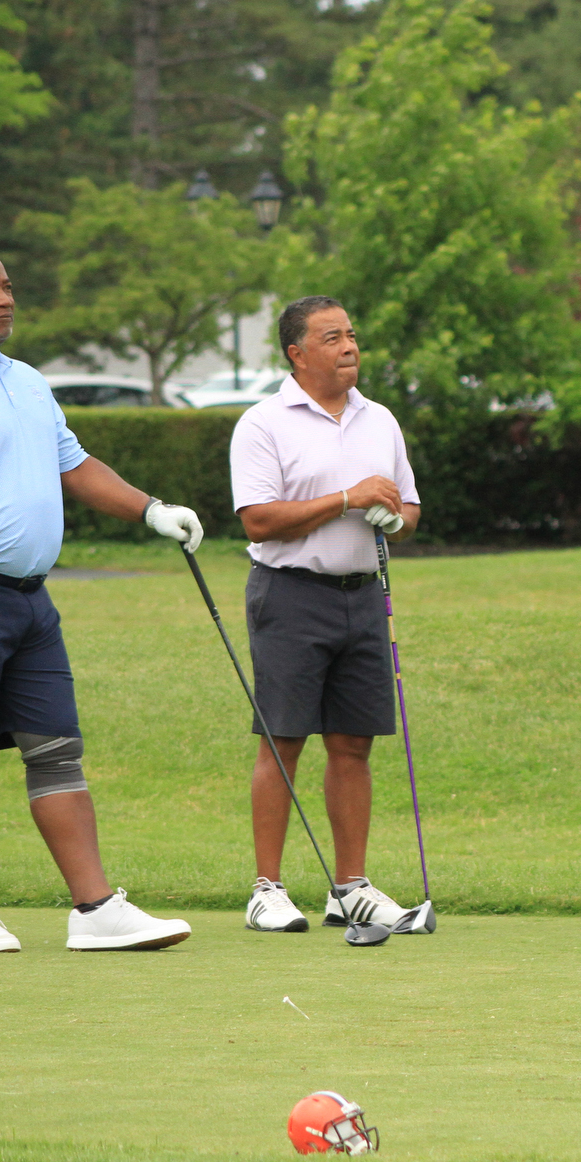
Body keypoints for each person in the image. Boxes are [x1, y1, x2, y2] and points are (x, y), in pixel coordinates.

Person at [0, 249, 202, 954]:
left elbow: (77, 467)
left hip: (28, 599)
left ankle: (93, 909)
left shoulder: (25, 382)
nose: (4, 300)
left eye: (7, 287)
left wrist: (151, 511)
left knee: (56, 747)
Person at [228, 296, 423, 934]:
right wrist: (346, 498)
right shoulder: (263, 423)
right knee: (282, 741)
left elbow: (410, 508)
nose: (349, 347)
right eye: (332, 337)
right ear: (297, 353)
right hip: (289, 594)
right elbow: (258, 518)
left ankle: (350, 887)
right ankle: (267, 888)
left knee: (353, 744)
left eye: (352, 334)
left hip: (363, 595)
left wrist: (394, 514)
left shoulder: (380, 420)